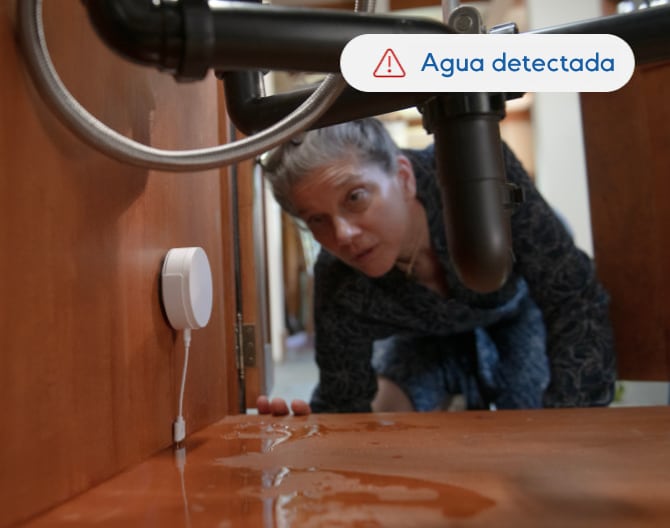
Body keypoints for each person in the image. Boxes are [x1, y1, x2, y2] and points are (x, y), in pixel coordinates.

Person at [257, 117, 615, 416]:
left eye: (355, 197)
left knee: (530, 426)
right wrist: (306, 437)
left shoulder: (479, 177)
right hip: (424, 338)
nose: (343, 235)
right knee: (387, 416)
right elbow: (344, 400)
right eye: (317, 220)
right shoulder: (337, 278)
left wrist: (574, 424)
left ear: (404, 178)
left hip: (519, 310)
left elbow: (573, 300)